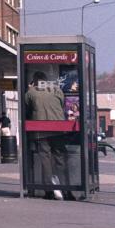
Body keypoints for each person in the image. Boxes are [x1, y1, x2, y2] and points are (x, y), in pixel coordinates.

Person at [24, 70, 69, 200]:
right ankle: (66, 188)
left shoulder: (30, 93)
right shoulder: (57, 90)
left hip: (40, 131)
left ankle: (49, 191)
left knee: (45, 160)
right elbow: (62, 105)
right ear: (45, 80)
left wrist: (30, 89)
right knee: (60, 158)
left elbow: (27, 108)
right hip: (58, 129)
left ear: (34, 81)